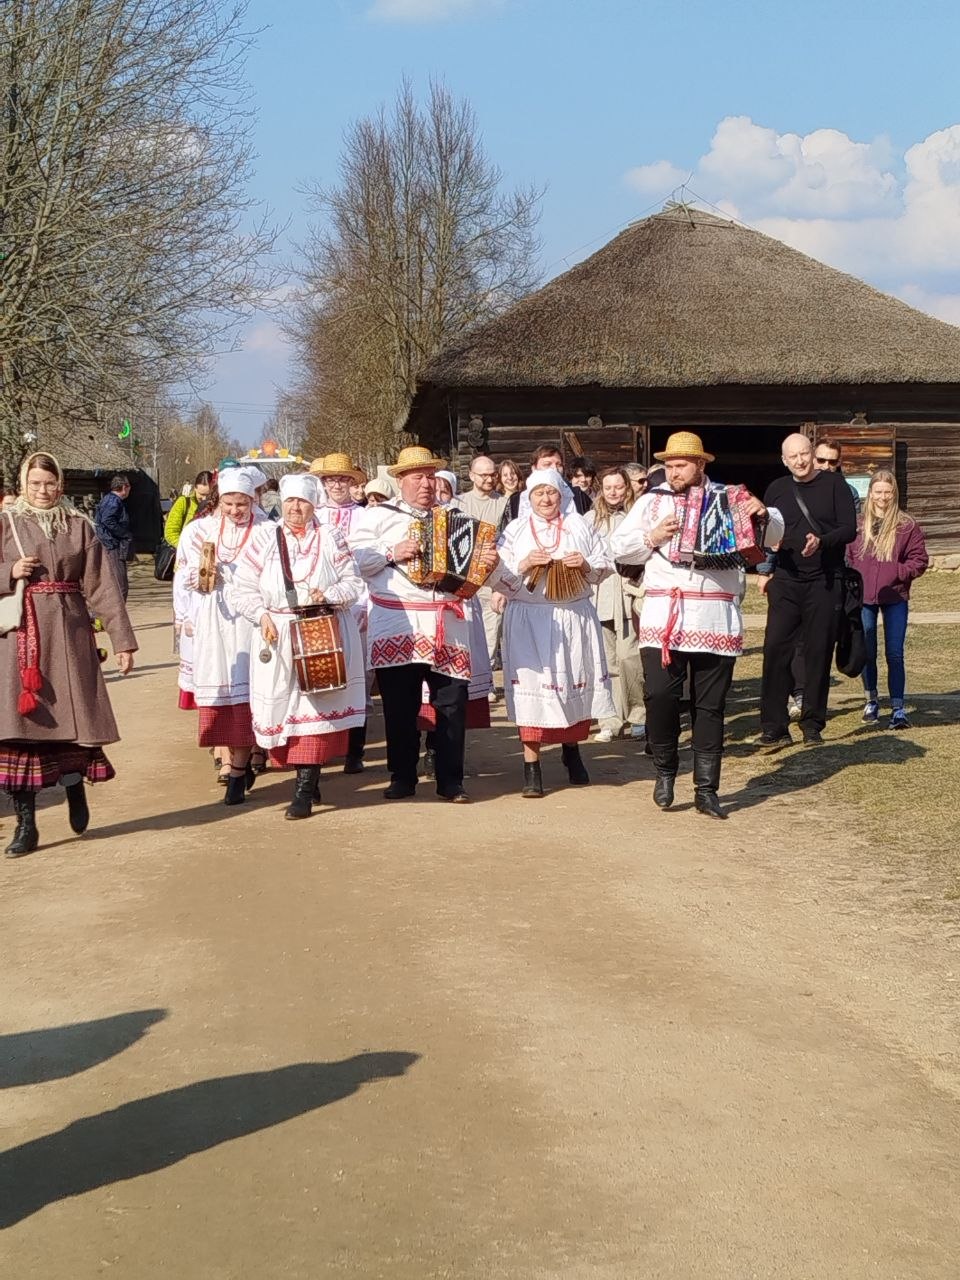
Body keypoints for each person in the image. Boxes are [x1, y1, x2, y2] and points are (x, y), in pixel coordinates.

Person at [612, 432, 781, 819]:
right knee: (660, 696)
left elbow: (772, 538)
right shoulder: (651, 502)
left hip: (714, 616)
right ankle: (665, 770)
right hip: (664, 615)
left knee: (710, 706)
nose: (673, 472)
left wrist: (763, 513)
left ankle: (707, 789)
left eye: (681, 465)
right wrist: (652, 536)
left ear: (701, 465)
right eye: (669, 466)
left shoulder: (731, 498)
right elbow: (618, 548)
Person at [0, 452, 137, 856]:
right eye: (35, 483)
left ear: (59, 484)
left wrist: (122, 641)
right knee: (21, 729)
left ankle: (75, 788)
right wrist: (9, 572)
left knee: (74, 723)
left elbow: (102, 586)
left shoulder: (78, 525)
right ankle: (26, 825)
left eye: (49, 483)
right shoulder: (6, 524)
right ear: (23, 483)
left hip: (69, 634)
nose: (42, 490)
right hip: (21, 639)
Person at [350, 445, 503, 803]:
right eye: (418, 477)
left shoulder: (454, 515)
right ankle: (402, 776)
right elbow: (354, 560)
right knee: (399, 705)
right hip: (398, 619)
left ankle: (451, 780)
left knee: (452, 702)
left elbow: (475, 569)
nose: (426, 484)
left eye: (431, 476)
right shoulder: (377, 516)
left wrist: (487, 560)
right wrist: (391, 552)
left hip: (446, 619)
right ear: (400, 480)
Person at [229, 472, 366, 820]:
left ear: (313, 504)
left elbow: (353, 582)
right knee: (284, 713)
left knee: (315, 711)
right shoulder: (264, 538)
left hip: (322, 632)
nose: (295, 507)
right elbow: (241, 588)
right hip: (277, 633)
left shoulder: (331, 537)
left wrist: (330, 595)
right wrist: (261, 615)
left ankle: (304, 790)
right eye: (290, 500)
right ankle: (308, 777)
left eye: (302, 501)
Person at [497, 469, 616, 797]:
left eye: (551, 492)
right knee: (531, 691)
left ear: (561, 494)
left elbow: (605, 564)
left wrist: (585, 564)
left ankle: (571, 751)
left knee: (570, 685)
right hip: (528, 617)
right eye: (539, 493)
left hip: (572, 615)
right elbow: (497, 574)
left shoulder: (579, 525)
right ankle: (531, 767)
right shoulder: (516, 529)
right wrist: (523, 564)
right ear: (529, 497)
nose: (546, 499)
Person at [759, 433, 857, 748]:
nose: (800, 461)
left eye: (804, 454)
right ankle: (774, 727)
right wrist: (768, 549)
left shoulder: (835, 485)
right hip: (786, 580)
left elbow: (849, 529)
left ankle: (812, 724)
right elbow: (767, 530)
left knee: (817, 652)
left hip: (824, 580)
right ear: (784, 460)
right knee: (775, 649)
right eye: (793, 456)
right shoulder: (777, 489)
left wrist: (822, 541)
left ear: (812, 454)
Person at [175, 469, 267, 805]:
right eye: (228, 503)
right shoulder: (200, 530)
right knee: (222, 695)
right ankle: (230, 761)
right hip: (213, 620)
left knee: (250, 696)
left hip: (252, 623)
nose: (234, 510)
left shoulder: (267, 531)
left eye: (241, 503)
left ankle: (241, 768)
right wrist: (199, 582)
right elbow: (184, 574)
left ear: (252, 500)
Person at [847, 470, 928, 729]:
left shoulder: (906, 525)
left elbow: (919, 560)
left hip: (895, 596)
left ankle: (898, 707)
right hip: (865, 597)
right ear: (870, 493)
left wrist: (898, 572)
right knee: (867, 649)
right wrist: (852, 580)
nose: (883, 497)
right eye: (878, 492)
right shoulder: (858, 525)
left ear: (894, 493)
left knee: (894, 653)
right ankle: (871, 700)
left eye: (887, 492)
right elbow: (848, 556)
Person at [310, 452, 371, 773]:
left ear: (351, 483)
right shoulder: (314, 516)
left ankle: (354, 751)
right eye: (331, 480)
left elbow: (369, 567)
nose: (337, 485)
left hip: (356, 601)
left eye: (343, 479)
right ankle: (322, 747)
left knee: (356, 676)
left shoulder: (365, 516)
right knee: (321, 673)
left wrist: (366, 606)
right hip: (319, 604)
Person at [584, 467, 645, 742]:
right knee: (606, 662)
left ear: (627, 488)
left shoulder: (638, 514)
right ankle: (610, 719)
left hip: (628, 593)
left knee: (629, 658)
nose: (613, 492)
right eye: (608, 487)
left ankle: (638, 715)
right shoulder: (590, 519)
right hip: (600, 595)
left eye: (618, 487)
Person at [459, 455, 508, 675]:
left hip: (490, 578)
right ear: (471, 476)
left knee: (490, 631)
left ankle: (485, 679)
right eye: (483, 475)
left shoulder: (504, 503)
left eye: (492, 474)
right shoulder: (458, 503)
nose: (489, 479)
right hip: (464, 578)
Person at [502, 445, 592, 526]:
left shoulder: (578, 497)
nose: (554, 469)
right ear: (534, 468)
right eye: (547, 464)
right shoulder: (516, 501)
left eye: (559, 465)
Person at [94, 474, 133, 600]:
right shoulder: (113, 501)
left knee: (113, 583)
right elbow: (107, 520)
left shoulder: (110, 500)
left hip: (109, 543)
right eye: (129, 486)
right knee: (120, 585)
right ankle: (117, 611)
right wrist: (124, 534)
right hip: (111, 544)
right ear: (124, 487)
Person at [163, 471, 213, 549]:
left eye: (208, 495)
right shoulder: (183, 503)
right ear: (195, 488)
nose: (204, 498)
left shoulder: (218, 507)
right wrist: (187, 548)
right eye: (201, 494)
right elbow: (171, 533)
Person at [814, 438, 862, 514]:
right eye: (821, 460)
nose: (826, 466)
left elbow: (854, 519)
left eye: (832, 462)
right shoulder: (799, 487)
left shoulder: (850, 493)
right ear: (812, 459)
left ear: (839, 462)